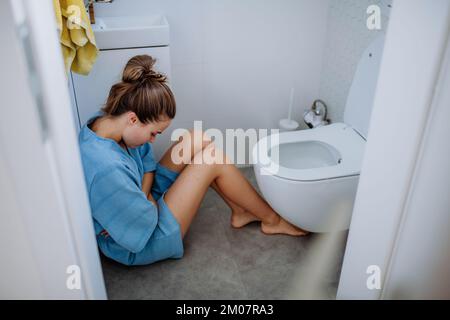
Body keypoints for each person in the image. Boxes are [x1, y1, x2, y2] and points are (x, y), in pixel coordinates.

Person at [78, 55, 308, 266]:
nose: (152, 141)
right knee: (212, 159)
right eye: (153, 133)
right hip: (142, 240)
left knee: (198, 139)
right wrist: (148, 199)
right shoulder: (105, 168)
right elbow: (143, 228)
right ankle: (271, 219)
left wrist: (146, 195)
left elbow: (147, 163)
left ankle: (242, 211)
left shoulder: (106, 121)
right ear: (132, 119)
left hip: (143, 203)